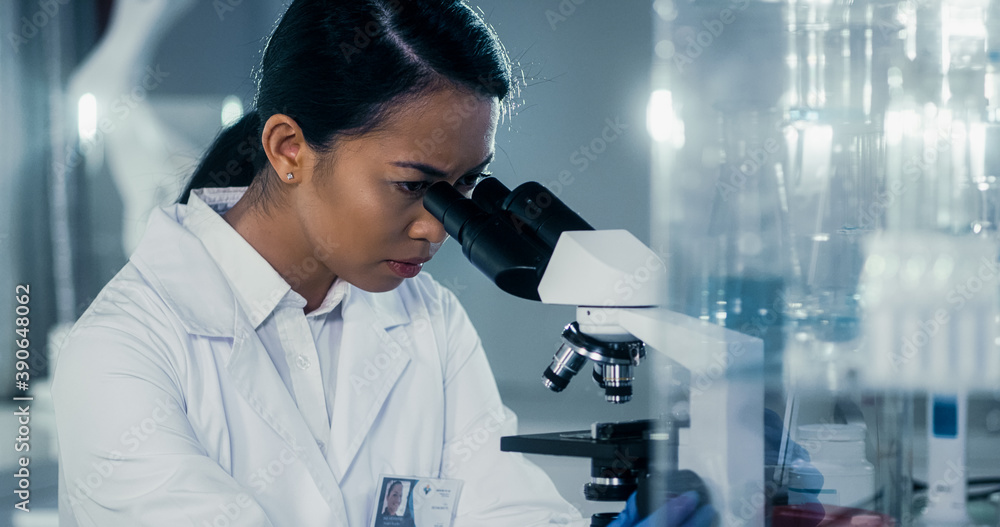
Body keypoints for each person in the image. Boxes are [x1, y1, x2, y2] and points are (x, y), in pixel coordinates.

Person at [51, 1, 713, 526]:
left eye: (461, 189)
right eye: (410, 184)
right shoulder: (121, 352)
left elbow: (506, 510)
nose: (437, 227)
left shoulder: (428, 318)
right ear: (289, 148)